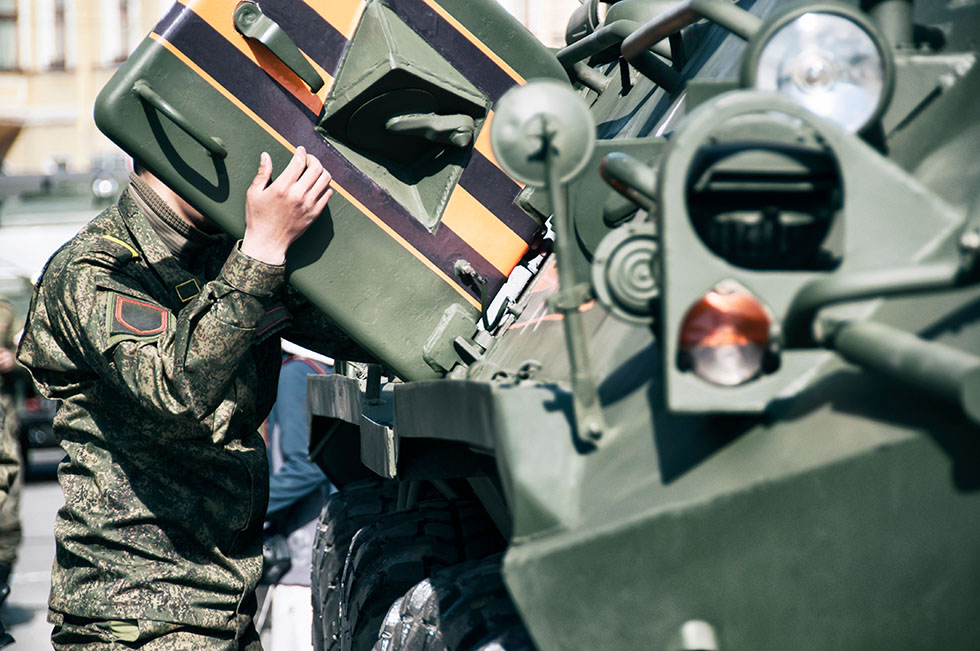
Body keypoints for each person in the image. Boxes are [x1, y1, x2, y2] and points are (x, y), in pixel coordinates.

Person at [16, 146, 369, 649]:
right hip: (137, 616)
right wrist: (261, 252)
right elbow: (175, 390)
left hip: (225, 603)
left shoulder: (228, 252)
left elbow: (350, 334)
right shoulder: (94, 267)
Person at [262, 349, 332, 650]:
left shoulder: (294, 372)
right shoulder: (319, 368)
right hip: (319, 553)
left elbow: (306, 465)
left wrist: (248, 510)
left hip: (298, 563)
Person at [0, 300, 23, 602]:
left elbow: (40, 354)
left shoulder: (4, 313)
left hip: (4, 431)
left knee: (6, 518)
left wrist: (13, 360)